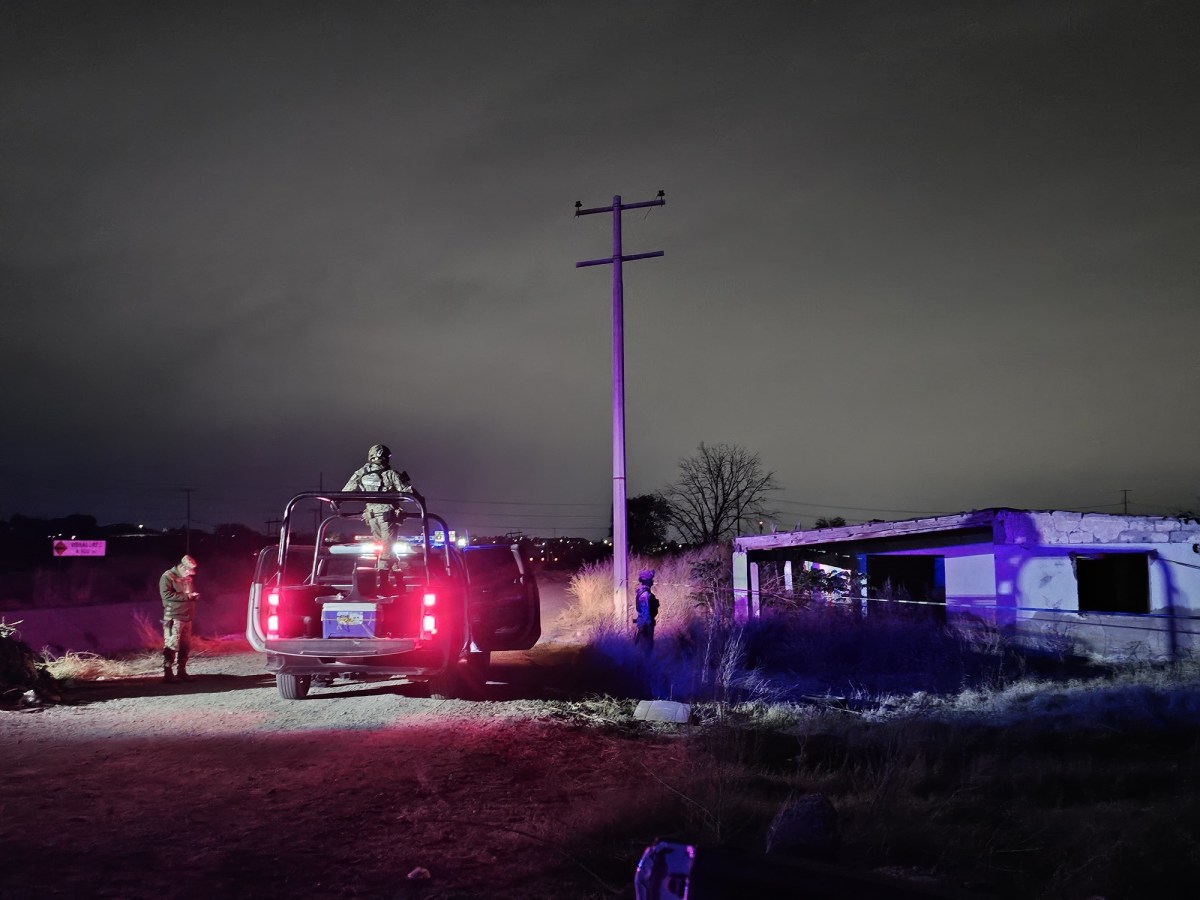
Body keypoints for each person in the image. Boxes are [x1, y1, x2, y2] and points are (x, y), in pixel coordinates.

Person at [342, 443, 414, 574]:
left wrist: (336, 502)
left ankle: (395, 576)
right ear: (385, 457)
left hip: (371, 516)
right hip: (387, 516)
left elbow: (345, 492)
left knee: (383, 548)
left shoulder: (360, 473)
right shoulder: (391, 474)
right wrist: (419, 498)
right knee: (386, 548)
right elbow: (408, 492)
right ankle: (385, 581)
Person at [159, 554, 199, 683]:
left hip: (187, 617)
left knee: (185, 646)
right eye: (187, 571)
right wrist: (187, 597)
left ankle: (181, 671)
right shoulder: (167, 577)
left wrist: (193, 596)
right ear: (181, 566)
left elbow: (189, 592)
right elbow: (166, 595)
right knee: (171, 645)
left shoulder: (187, 578)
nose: (189, 574)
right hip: (173, 617)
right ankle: (168, 673)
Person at [634, 568, 659, 653]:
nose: (652, 581)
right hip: (645, 624)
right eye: (651, 579)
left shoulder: (644, 592)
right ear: (647, 580)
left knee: (644, 647)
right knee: (646, 649)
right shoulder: (645, 594)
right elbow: (645, 613)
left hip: (644, 623)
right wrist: (647, 627)